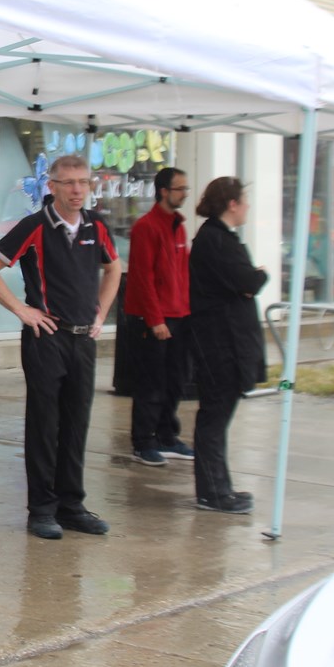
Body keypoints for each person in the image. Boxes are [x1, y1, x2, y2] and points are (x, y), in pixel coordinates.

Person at [0, 154, 121, 539]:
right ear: (51, 186)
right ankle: (41, 509)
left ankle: (72, 506)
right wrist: (21, 310)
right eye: (68, 182)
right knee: (44, 423)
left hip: (83, 338)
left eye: (83, 182)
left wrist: (102, 314)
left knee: (77, 423)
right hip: (46, 338)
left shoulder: (97, 226)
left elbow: (114, 268)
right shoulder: (34, 226)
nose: (76, 190)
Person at [187, 177, 266, 514]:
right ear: (232, 204)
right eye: (244, 200)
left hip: (225, 342)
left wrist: (250, 280)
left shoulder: (219, 238)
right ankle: (213, 492)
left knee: (218, 417)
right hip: (219, 345)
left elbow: (243, 284)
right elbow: (247, 281)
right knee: (214, 418)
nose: (247, 206)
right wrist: (258, 275)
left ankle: (220, 487)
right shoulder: (216, 240)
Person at [124, 167, 195, 467]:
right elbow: (142, 277)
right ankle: (143, 441)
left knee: (176, 380)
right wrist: (155, 320)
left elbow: (183, 273)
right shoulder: (146, 227)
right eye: (180, 188)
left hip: (179, 315)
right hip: (152, 318)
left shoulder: (178, 226)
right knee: (151, 383)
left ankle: (167, 436)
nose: (185, 194)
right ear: (164, 191)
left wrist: (188, 312)